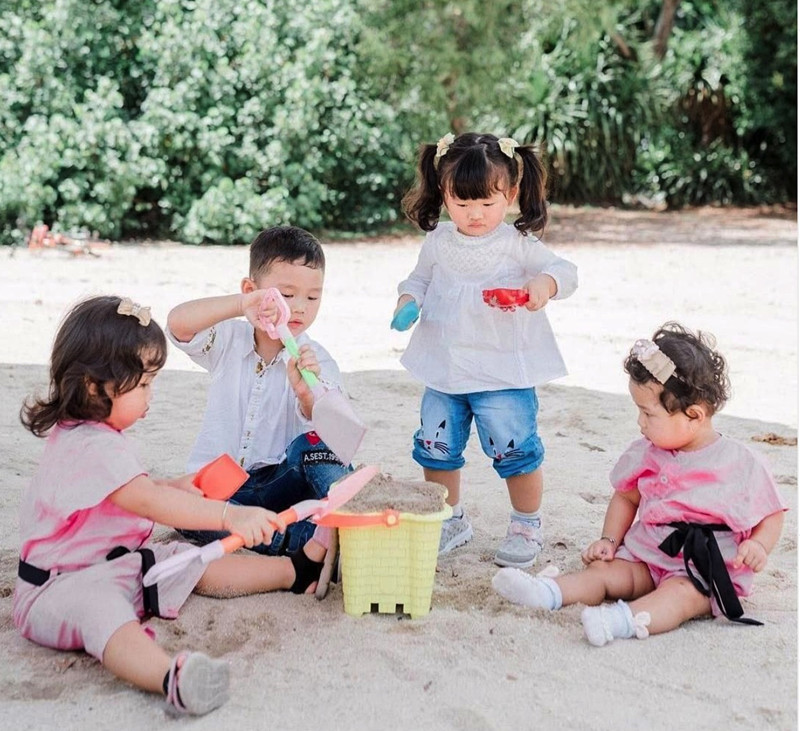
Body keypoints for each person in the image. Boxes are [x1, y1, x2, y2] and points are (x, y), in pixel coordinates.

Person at [14, 295, 321, 716]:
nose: (150, 396)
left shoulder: (93, 435)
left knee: (188, 560)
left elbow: (130, 490)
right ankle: (171, 678)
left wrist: (175, 485)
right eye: (143, 385)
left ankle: (294, 571)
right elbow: (150, 502)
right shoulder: (90, 446)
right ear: (93, 386)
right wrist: (231, 515)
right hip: (60, 588)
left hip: (116, 566)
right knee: (103, 612)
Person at [492, 323, 787, 646]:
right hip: (647, 554)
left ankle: (619, 621)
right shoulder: (647, 452)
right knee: (603, 572)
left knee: (679, 596)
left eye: (648, 414)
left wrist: (759, 545)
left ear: (694, 415)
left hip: (702, 570)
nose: (640, 422)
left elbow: (771, 512)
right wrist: (609, 540)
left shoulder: (741, 462)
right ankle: (548, 592)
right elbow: (626, 497)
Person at [392, 132, 578, 568]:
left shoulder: (516, 242)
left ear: (510, 195)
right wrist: (408, 301)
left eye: (486, 203)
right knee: (436, 445)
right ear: (444, 194)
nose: (474, 214)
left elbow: (565, 271)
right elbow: (419, 279)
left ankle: (526, 523)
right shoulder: (438, 241)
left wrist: (544, 284)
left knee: (515, 448)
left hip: (502, 373)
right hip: (444, 367)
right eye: (462, 203)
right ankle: (450, 517)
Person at [166, 225, 350, 593]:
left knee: (315, 448)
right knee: (183, 508)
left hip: (282, 487)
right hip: (225, 494)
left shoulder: (316, 360)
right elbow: (178, 325)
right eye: (287, 295)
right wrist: (241, 305)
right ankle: (308, 544)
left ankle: (346, 522)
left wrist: (307, 394)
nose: (300, 307)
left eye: (313, 297)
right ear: (252, 290)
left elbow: (336, 434)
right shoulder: (228, 340)